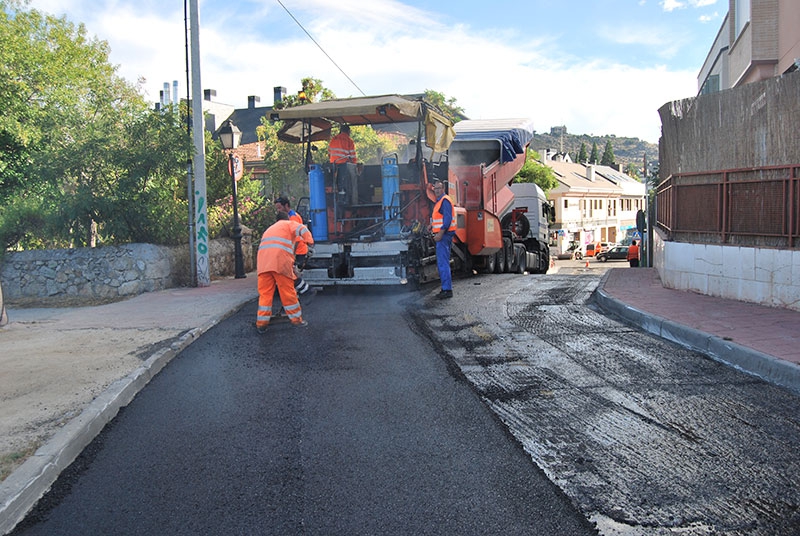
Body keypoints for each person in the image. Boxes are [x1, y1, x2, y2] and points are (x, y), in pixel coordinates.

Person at [256, 211, 314, 332]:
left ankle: (261, 324)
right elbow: (302, 229)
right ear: (287, 219)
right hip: (280, 263)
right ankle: (297, 321)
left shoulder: (269, 229)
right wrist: (310, 243)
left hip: (263, 265)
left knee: (265, 294)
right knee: (287, 292)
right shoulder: (288, 224)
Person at [273, 197, 315, 300]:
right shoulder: (292, 216)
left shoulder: (292, 218)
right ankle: (297, 293)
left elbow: (295, 238)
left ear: (286, 206)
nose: (278, 210)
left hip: (297, 251)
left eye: (279, 208)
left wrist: (292, 253)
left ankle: (299, 293)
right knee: (292, 273)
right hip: (296, 250)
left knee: (292, 273)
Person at [431, 180, 456, 299]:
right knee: (443, 262)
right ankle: (446, 288)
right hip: (445, 235)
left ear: (443, 188)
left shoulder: (444, 200)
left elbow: (447, 219)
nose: (436, 190)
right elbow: (439, 218)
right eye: (435, 188)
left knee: (443, 262)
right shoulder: (440, 201)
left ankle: (446, 290)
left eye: (438, 188)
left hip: (444, 235)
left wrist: (440, 233)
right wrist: (431, 226)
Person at [329, 124, 358, 205]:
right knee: (351, 180)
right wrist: (355, 166)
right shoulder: (349, 140)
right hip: (343, 165)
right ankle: (352, 201)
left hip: (333, 165)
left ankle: (338, 198)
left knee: (336, 184)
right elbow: (352, 156)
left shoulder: (333, 139)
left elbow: (329, 153)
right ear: (348, 131)